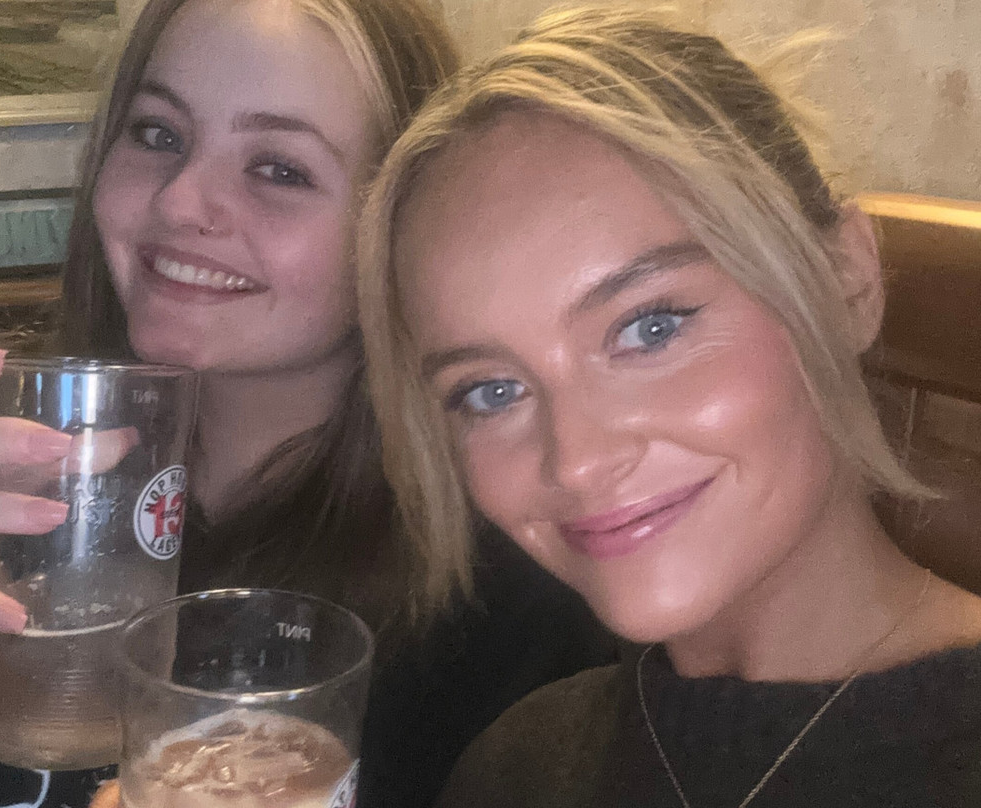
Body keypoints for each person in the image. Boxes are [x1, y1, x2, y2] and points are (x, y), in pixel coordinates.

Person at [0, 1, 619, 806]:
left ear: (397, 226)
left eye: (279, 169)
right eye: (158, 134)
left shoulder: (507, 592)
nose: (180, 202)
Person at [357, 6, 981, 807]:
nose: (577, 462)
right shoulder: (513, 768)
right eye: (492, 390)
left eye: (650, 328)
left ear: (845, 284)